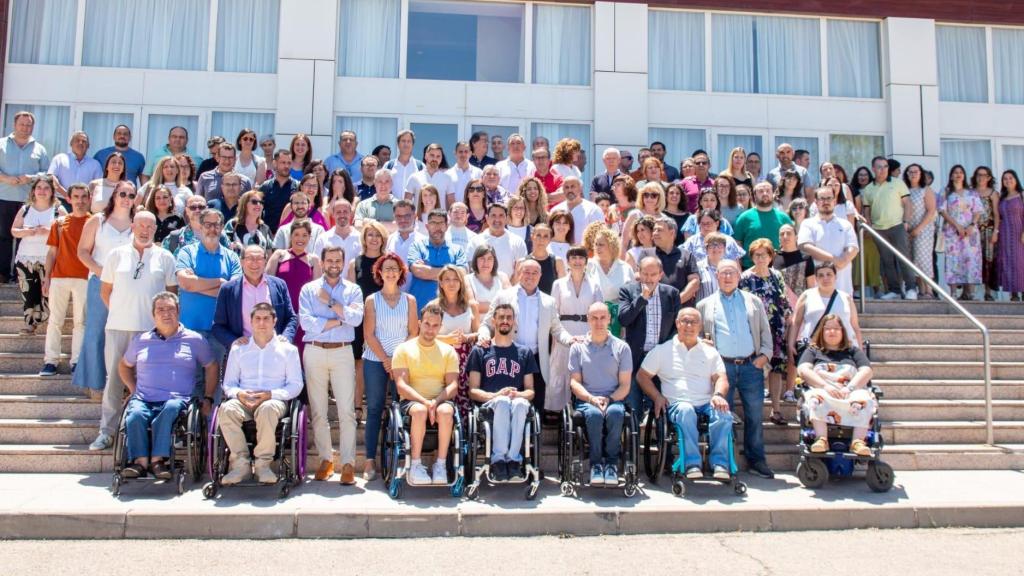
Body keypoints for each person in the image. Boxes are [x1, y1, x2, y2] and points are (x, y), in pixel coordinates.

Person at [89, 210, 178, 452]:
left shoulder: (165, 257)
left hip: (152, 333)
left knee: (153, 382)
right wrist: (120, 311)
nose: (145, 229)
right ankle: (106, 432)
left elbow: (172, 295)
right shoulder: (116, 255)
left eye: (150, 226)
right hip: (119, 327)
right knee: (114, 382)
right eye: (141, 225)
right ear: (132, 226)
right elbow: (105, 291)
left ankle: (149, 435)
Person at [117, 292, 217, 479]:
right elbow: (124, 365)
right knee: (135, 414)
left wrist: (209, 396)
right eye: (160, 309)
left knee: (170, 409)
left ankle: (158, 460)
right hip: (144, 397)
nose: (166, 313)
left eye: (170, 309)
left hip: (177, 399)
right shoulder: (141, 340)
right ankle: (140, 461)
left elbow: (211, 366)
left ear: (179, 311)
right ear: (153, 314)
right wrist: (132, 388)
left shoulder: (195, 340)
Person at [695, 259, 774, 478]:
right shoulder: (704, 304)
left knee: (755, 415)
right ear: (716, 277)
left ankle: (756, 460)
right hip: (722, 368)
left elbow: (765, 332)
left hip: (750, 365)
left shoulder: (754, 301)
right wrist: (704, 345)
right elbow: (697, 337)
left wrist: (764, 356)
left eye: (731, 273)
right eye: (723, 273)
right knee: (721, 416)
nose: (727, 277)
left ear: (739, 276)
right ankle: (722, 460)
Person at [637, 308, 733, 479]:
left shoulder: (710, 351)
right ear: (677, 324)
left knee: (724, 415)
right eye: (685, 321)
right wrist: (657, 396)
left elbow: (721, 377)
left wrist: (718, 394)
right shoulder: (662, 350)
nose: (689, 326)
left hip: (706, 403)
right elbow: (642, 376)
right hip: (677, 404)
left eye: (694, 322)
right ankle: (692, 464)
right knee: (686, 410)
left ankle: (720, 464)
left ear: (700, 326)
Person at [218, 302, 304, 485]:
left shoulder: (288, 350)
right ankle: (240, 465)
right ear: (251, 322)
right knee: (226, 409)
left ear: (275, 321)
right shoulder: (238, 349)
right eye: (257, 318)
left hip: (274, 400)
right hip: (244, 399)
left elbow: (296, 385)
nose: (262, 323)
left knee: (267, 409)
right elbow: (229, 384)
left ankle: (263, 465)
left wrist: (271, 394)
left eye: (266, 318)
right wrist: (239, 394)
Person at [298, 245, 364, 484]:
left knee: (347, 411)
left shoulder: (354, 290)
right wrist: (339, 320)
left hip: (342, 352)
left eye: (338, 260)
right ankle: (326, 460)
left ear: (344, 263)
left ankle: (348, 463)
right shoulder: (309, 289)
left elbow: (356, 319)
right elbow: (306, 323)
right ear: (323, 263)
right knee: (318, 411)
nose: (334, 264)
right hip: (314, 350)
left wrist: (330, 303)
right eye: (330, 260)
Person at [478, 258, 574, 414]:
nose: (530, 276)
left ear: (540, 275)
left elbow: (557, 329)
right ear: (519, 273)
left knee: (535, 409)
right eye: (526, 272)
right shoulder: (503, 296)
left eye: (535, 273)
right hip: (508, 358)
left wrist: (570, 340)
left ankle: (532, 439)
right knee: (508, 406)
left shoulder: (548, 301)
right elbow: (486, 324)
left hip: (536, 361)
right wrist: (482, 335)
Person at [73, 180, 134, 398]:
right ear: (114, 196)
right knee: (96, 332)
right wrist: (102, 272)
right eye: (123, 194)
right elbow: (82, 252)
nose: (127, 198)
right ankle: (94, 383)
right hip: (100, 282)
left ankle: (125, 384)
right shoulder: (97, 221)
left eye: (131, 195)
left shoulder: (137, 223)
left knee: (127, 335)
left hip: (129, 287)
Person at [361, 252, 418, 480]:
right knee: (374, 408)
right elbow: (369, 334)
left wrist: (396, 360)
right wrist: (386, 359)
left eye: (395, 268)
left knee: (401, 407)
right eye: (387, 269)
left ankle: (400, 457)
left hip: (402, 362)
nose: (391, 272)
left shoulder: (410, 301)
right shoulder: (372, 300)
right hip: (376, 360)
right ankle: (369, 461)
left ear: (401, 272)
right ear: (380, 273)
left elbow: (413, 332)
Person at [466, 303, 537, 481]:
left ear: (514, 322)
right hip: (491, 405)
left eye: (509, 317)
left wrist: (518, 394)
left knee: (520, 403)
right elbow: (473, 391)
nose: (505, 321)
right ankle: (498, 460)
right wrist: (497, 395)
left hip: (516, 402)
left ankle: (513, 460)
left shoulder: (524, 352)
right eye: (501, 317)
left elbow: (530, 391)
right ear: (493, 321)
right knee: (503, 402)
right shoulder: (480, 350)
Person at [393, 303, 461, 485]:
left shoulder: (448, 352)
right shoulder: (404, 349)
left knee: (447, 412)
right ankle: (415, 464)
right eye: (427, 324)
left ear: (440, 327)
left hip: (439, 400)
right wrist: (425, 402)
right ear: (420, 323)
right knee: (420, 411)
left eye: (435, 326)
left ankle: (440, 464)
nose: (430, 329)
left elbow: (453, 385)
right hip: (413, 400)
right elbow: (401, 385)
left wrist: (436, 401)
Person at [568, 302, 632, 486]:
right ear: (588, 320)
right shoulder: (577, 348)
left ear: (610, 319)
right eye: (594, 318)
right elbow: (574, 382)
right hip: (587, 399)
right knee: (595, 414)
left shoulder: (622, 348)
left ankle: (611, 464)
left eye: (603, 317)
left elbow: (625, 384)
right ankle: (596, 464)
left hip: (614, 398)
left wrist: (610, 399)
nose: (598, 322)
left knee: (615, 413)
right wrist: (591, 399)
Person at [797, 315, 875, 457]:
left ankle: (858, 442)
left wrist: (849, 388)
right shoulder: (813, 351)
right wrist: (825, 386)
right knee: (815, 398)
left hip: (850, 390)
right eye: (828, 329)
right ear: (822, 331)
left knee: (864, 399)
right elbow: (803, 370)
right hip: (823, 389)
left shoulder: (853, 351)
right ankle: (822, 439)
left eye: (836, 328)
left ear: (843, 331)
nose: (832, 332)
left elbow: (867, 371)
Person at [175, 208, 241, 362]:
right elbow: (185, 283)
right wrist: (220, 282)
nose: (212, 229)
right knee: (192, 381)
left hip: (220, 329)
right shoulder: (187, 252)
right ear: (200, 226)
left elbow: (233, 293)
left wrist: (195, 285)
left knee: (216, 381)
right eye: (208, 224)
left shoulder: (232, 257)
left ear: (222, 227)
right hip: (190, 328)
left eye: (216, 225)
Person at [618, 257, 681, 411]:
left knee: (660, 404)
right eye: (645, 274)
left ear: (660, 275)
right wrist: (642, 299)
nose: (648, 278)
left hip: (662, 358)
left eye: (653, 274)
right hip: (636, 357)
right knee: (634, 406)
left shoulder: (671, 293)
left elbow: (676, 326)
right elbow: (624, 319)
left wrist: (667, 349)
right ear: (639, 273)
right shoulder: (628, 290)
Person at [40, 183, 90, 376]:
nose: (80, 201)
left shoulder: (94, 222)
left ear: (89, 198)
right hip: (59, 277)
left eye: (83, 196)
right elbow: (52, 253)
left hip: (84, 278)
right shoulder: (59, 223)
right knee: (55, 320)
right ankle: (50, 361)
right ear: (69, 199)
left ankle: (76, 361)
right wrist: (46, 278)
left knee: (81, 322)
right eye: (76, 196)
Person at [740, 239, 792, 425]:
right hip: (756, 330)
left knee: (776, 369)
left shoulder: (776, 275)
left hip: (776, 327)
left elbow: (783, 299)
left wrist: (787, 319)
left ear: (771, 256)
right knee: (757, 369)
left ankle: (776, 409)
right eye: (756, 255)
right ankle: (755, 414)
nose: (760, 258)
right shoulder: (746, 277)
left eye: (764, 254)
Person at [547, 246, 603, 411]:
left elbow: (599, 310)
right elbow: (553, 312)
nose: (577, 261)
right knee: (560, 370)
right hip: (564, 331)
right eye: (573, 258)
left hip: (587, 331)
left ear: (586, 261)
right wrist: (559, 335)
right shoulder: (558, 284)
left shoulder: (595, 285)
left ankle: (582, 406)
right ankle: (557, 411)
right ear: (568, 261)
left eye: (581, 258)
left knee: (583, 371)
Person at [212, 245, 297, 350]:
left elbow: (291, 318)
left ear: (265, 261)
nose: (255, 263)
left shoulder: (279, 285)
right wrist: (233, 341)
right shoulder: (228, 289)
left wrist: (286, 337)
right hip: (243, 351)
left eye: (259, 259)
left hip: (274, 350)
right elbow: (218, 326)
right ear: (242, 261)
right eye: (250, 258)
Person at [11, 175, 65, 335]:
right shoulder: (25, 209)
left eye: (46, 188)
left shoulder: (58, 210)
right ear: (33, 191)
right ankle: (29, 324)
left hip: (49, 258)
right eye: (39, 187)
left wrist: (49, 231)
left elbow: (66, 234)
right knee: (28, 293)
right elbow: (14, 231)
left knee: (47, 292)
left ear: (52, 191)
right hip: (25, 258)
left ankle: (49, 322)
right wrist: (28, 231)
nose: (42, 191)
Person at [0, 111, 50, 283]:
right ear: (15, 125)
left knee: (26, 236)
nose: (25, 128)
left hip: (29, 201)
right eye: (22, 124)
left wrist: (31, 178)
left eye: (28, 125)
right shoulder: (2, 145)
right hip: (4, 197)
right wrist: (6, 178)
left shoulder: (39, 149)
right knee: (4, 236)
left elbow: (46, 173)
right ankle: (3, 274)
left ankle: (19, 274)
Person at [861, 156, 917, 300]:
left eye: (885, 166)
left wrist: (906, 221)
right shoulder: (868, 189)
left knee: (903, 258)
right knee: (887, 261)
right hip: (879, 229)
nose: (883, 169)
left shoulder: (898, 183)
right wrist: (868, 225)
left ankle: (911, 288)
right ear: (873, 168)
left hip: (897, 225)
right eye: (879, 167)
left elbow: (908, 204)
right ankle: (895, 290)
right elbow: (867, 209)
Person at [267, 219, 323, 355]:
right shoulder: (279, 255)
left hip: (303, 314)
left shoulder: (314, 260)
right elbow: (267, 283)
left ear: (310, 237)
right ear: (290, 236)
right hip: (280, 312)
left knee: (300, 354)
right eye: (296, 234)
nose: (300, 239)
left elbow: (317, 291)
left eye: (305, 235)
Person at [431, 265, 480, 418]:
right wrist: (447, 339)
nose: (451, 283)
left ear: (461, 283)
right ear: (441, 283)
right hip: (441, 358)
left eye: (455, 279)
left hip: (465, 358)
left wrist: (467, 337)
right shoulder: (433, 306)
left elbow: (478, 333)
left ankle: (464, 434)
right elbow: (422, 336)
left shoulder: (471, 306)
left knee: (465, 394)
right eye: (447, 279)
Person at [788, 262, 863, 361]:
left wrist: (860, 349)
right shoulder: (807, 295)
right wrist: (790, 344)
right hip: (814, 349)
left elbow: (855, 326)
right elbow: (796, 322)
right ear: (816, 278)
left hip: (844, 348)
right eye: (821, 275)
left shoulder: (846, 298)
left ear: (835, 277)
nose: (825, 278)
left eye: (829, 274)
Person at [798, 187, 859, 295]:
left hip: (843, 287)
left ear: (834, 201)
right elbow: (805, 246)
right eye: (822, 199)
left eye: (829, 198)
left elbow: (853, 248)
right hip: (816, 288)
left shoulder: (845, 224)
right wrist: (834, 260)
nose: (826, 202)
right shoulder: (807, 223)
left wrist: (842, 261)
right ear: (816, 202)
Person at [938, 164, 984, 300]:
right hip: (953, 231)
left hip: (971, 232)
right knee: (954, 259)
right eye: (955, 172)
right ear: (951, 176)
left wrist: (971, 225)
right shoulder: (945, 191)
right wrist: (957, 226)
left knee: (971, 259)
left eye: (961, 172)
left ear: (964, 175)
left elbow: (978, 211)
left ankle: (970, 292)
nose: (958, 174)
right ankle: (953, 293)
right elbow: (942, 211)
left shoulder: (972, 192)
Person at [408, 209, 467, 313]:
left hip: (449, 312)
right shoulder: (417, 246)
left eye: (441, 223)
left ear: (447, 226)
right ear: (427, 226)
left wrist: (428, 270)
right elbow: (418, 271)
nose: (437, 227)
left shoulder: (458, 250)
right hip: (420, 309)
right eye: (433, 223)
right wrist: (451, 274)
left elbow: (462, 274)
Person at [733, 181, 794, 268]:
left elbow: (791, 243)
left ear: (773, 194)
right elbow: (737, 244)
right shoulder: (744, 218)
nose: (765, 193)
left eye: (768, 191)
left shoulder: (784, 218)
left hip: (778, 268)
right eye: (761, 191)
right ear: (754, 196)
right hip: (750, 268)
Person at [587, 227, 635, 336]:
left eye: (601, 244)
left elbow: (632, 297)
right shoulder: (588, 265)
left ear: (612, 245)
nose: (597, 248)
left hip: (619, 322)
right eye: (596, 244)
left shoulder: (625, 268)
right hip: (594, 320)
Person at [903, 164, 938, 299]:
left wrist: (918, 229)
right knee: (912, 259)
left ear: (921, 174)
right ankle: (920, 290)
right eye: (910, 172)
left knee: (922, 257)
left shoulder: (925, 190)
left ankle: (928, 289)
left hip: (924, 229)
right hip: (908, 230)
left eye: (916, 171)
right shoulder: (904, 190)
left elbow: (931, 211)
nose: (913, 174)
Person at [468, 203, 528, 279]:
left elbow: (521, 269)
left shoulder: (518, 242)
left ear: (506, 218)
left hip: (510, 289)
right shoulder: (475, 241)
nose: (497, 219)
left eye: (501, 215)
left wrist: (508, 287)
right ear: (487, 218)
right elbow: (471, 269)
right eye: (493, 215)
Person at [653, 216, 700, 307]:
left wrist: (676, 302)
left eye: (659, 230)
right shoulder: (646, 254)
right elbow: (640, 279)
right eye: (654, 230)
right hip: (654, 310)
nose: (655, 233)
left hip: (681, 312)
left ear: (672, 233)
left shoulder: (687, 255)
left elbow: (694, 282)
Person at [47, 131, 102, 206]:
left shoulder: (95, 164)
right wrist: (67, 195)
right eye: (77, 140)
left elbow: (98, 186)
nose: (80, 143)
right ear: (71, 143)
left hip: (84, 204)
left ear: (88, 146)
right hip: (61, 201)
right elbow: (51, 178)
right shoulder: (59, 159)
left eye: (84, 141)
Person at [164, 195, 230, 257]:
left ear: (207, 209)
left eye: (201, 207)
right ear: (187, 210)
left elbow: (230, 261)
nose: (197, 210)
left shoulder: (220, 235)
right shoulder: (174, 238)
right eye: (193, 207)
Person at [312, 199, 361, 276]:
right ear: (333, 214)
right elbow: (317, 268)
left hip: (354, 286)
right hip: (327, 287)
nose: (342, 215)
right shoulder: (323, 239)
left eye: (345, 211)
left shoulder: (361, 238)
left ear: (351, 214)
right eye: (338, 212)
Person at [550, 177, 603, 245]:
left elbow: (600, 236)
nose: (570, 190)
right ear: (563, 190)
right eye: (566, 187)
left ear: (580, 189)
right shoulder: (555, 210)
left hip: (585, 253)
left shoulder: (593, 210)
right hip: (560, 252)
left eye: (573, 187)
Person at [258, 150, 299, 234]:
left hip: (290, 234)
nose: (286, 166)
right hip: (269, 235)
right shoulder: (265, 187)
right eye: (283, 162)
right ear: (274, 163)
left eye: (289, 163)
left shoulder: (298, 187)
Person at [385, 200, 424, 290]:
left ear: (414, 216)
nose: (403, 220)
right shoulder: (387, 240)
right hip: (392, 296)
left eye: (407, 216)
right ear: (394, 217)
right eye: (399, 216)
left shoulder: (424, 241)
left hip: (416, 296)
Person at [997, 170, 1024, 301]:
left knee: (1020, 262)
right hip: (1005, 234)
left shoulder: (1022, 195)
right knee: (1008, 262)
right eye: (1005, 179)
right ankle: (1013, 294)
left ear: (1016, 179)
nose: (1008, 180)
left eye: (1010, 178)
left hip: (1020, 232)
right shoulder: (1002, 197)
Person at [681, 209, 746, 262]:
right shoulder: (692, 241)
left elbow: (736, 264)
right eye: (703, 224)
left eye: (709, 223)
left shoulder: (729, 240)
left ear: (717, 223)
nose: (706, 227)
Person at [406, 143, 456, 209]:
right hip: (419, 219)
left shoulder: (447, 178)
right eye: (432, 155)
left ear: (441, 159)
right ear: (426, 156)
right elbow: (406, 203)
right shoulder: (414, 177)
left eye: (438, 156)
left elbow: (452, 205)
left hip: (440, 218)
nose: (435, 159)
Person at [466, 244, 511, 316]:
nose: (486, 263)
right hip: (478, 325)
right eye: (482, 258)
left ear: (494, 261)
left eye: (490, 259)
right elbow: (473, 305)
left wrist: (485, 306)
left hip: (501, 325)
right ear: (475, 260)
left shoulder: (502, 276)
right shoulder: (467, 279)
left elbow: (510, 302)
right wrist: (501, 305)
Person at [224, 190, 273, 255]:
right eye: (254, 202)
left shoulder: (265, 228)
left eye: (261, 202)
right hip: (237, 264)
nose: (258, 204)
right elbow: (224, 246)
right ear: (244, 204)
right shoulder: (233, 224)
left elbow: (269, 254)